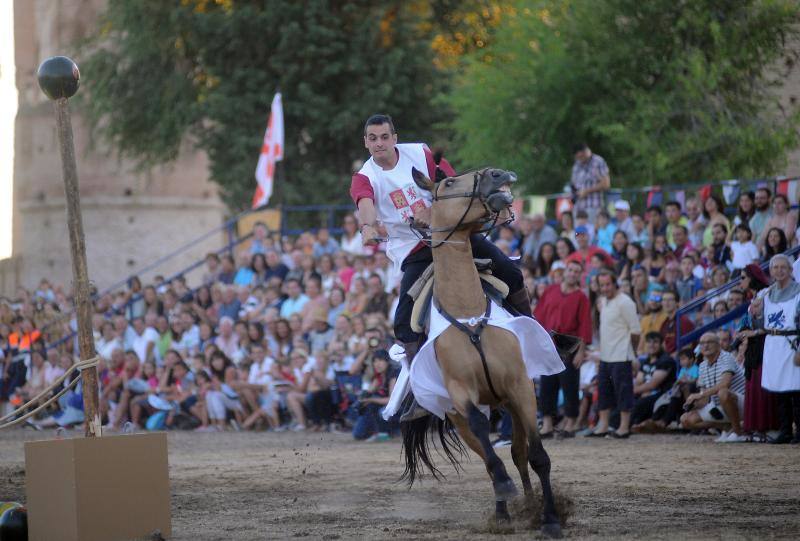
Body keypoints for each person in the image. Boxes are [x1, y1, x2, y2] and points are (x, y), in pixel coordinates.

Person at [350, 114, 533, 421]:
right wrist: (368, 227)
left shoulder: (421, 152)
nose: (379, 143)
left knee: (511, 272)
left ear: (395, 138)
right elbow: (365, 205)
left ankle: (533, 337)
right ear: (366, 142)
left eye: (384, 137)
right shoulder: (364, 177)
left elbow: (453, 186)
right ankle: (422, 391)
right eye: (372, 138)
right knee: (403, 321)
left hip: (452, 233)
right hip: (415, 250)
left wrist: (432, 210)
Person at [534, 260, 593, 437]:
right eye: (571, 270)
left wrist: (581, 351)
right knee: (547, 384)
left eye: (577, 271)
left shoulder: (581, 297)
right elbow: (539, 316)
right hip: (549, 342)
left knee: (569, 384)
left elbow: (584, 324)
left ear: (580, 275)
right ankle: (547, 424)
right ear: (565, 271)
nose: (573, 274)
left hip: (569, 343)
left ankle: (570, 423)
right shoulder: (551, 290)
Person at [749, 254, 800, 444]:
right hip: (774, 344)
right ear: (770, 271)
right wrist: (757, 312)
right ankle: (785, 430)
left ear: (790, 270)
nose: (779, 271)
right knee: (780, 390)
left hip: (792, 342)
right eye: (775, 267)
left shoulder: (799, 293)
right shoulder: (765, 294)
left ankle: (799, 431)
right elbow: (760, 324)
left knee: (796, 390)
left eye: (783, 267)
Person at [587, 269, 640, 438]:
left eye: (608, 284)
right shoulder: (603, 301)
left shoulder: (625, 302)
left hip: (621, 355)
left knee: (624, 391)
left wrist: (632, 352)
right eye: (602, 285)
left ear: (615, 283)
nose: (605, 288)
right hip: (606, 355)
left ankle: (624, 428)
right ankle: (603, 426)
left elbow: (636, 331)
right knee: (604, 391)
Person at [680, 332, 747, 442]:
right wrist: (694, 403)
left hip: (741, 403)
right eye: (702, 343)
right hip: (719, 405)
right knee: (686, 419)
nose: (705, 346)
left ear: (718, 345)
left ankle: (738, 432)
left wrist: (700, 394)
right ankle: (727, 428)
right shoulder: (702, 366)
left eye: (709, 342)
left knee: (723, 393)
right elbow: (705, 399)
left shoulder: (727, 357)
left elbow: (725, 384)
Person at [631, 332, 677, 427]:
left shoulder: (666, 360)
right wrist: (638, 391)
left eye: (655, 342)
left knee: (637, 404)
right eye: (649, 342)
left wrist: (634, 390)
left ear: (661, 344)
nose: (651, 345)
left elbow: (653, 385)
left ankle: (623, 425)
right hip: (645, 393)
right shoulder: (645, 361)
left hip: (662, 395)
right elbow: (639, 381)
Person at [570, 143, 610, 223]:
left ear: (586, 152)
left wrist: (587, 191)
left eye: (581, 156)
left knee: (591, 233)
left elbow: (606, 184)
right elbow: (573, 183)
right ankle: (578, 235)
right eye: (577, 157)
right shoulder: (576, 165)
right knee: (579, 233)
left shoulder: (598, 161)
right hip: (578, 208)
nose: (579, 159)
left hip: (593, 207)